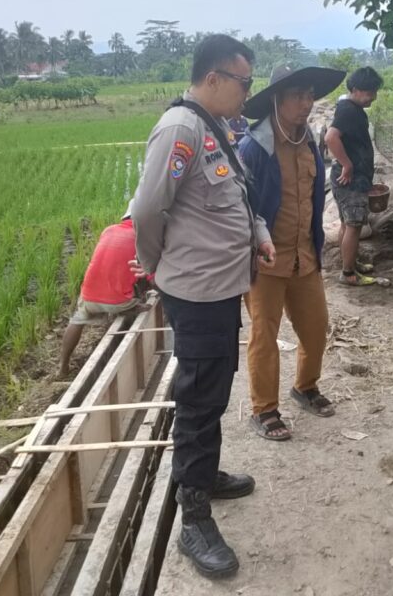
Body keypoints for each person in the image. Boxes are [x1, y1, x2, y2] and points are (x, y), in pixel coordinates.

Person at [130, 34, 276, 580]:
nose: (247, 92)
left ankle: (204, 474)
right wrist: (155, 264)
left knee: (212, 391)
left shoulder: (214, 127)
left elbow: (237, 195)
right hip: (196, 292)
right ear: (213, 79)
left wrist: (258, 233)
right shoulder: (181, 129)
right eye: (243, 82)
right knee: (197, 401)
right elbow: (148, 209)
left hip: (220, 288)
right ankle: (193, 517)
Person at [238, 64, 345, 441]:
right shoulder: (254, 148)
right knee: (264, 336)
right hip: (265, 260)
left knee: (316, 328)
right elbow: (241, 207)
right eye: (298, 96)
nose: (306, 103)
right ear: (276, 100)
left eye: (310, 95)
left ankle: (305, 386)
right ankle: (264, 409)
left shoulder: (309, 142)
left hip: (305, 257)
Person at [58, 202, 148, 375]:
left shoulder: (109, 230)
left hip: (89, 297)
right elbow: (151, 273)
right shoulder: (143, 238)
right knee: (145, 271)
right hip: (120, 302)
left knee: (77, 320)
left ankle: (63, 366)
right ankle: (131, 306)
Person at [326, 66, 383, 286]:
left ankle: (349, 263)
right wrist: (347, 164)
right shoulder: (348, 111)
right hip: (351, 179)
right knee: (354, 225)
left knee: (346, 223)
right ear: (356, 90)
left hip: (353, 178)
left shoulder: (349, 108)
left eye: (375, 92)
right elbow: (331, 138)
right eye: (369, 92)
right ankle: (349, 274)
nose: (373, 97)